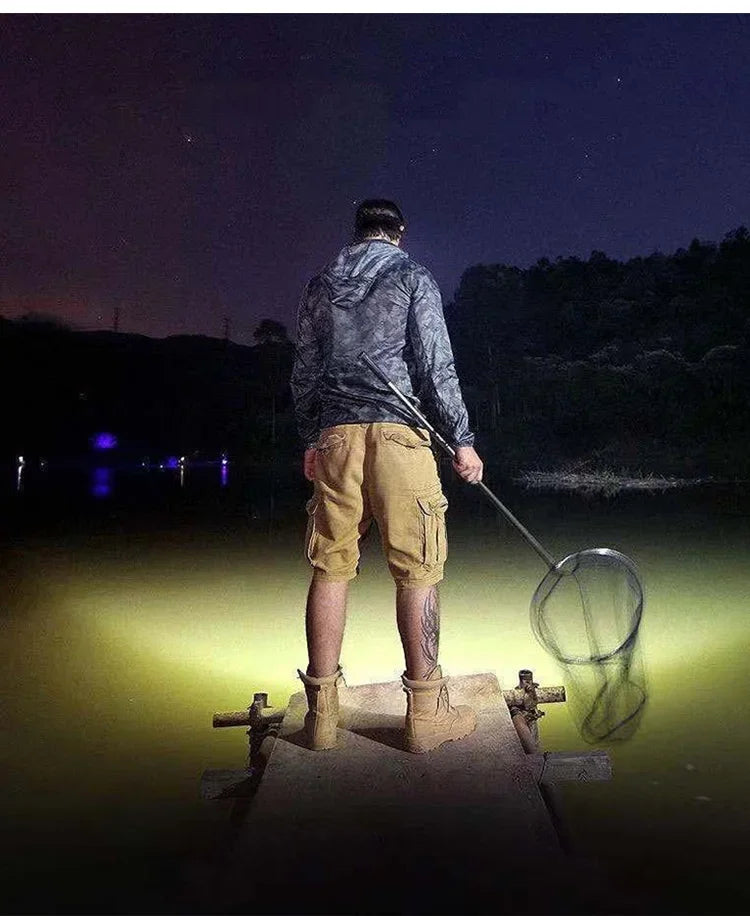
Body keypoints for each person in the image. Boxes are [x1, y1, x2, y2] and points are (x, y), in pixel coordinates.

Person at [290, 199, 484, 754]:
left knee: (330, 566)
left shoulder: (321, 282)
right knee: (419, 570)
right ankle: (426, 713)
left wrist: (311, 437)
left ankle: (320, 718)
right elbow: (435, 364)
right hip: (399, 436)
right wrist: (463, 440)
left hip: (337, 438)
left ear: (357, 234)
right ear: (397, 234)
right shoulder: (411, 274)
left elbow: (305, 367)